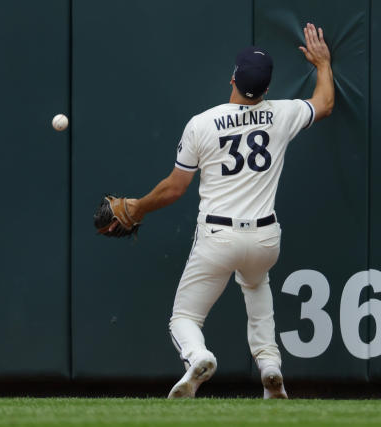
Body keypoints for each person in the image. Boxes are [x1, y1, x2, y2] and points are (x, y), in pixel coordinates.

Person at [105, 23, 334, 398]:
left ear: (232, 77)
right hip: (264, 238)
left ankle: (197, 356)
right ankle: (270, 365)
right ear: (267, 89)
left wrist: (139, 207)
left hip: (218, 236)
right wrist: (323, 64)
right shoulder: (281, 114)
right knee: (257, 285)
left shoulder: (202, 124)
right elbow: (324, 103)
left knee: (184, 318)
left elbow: (174, 189)